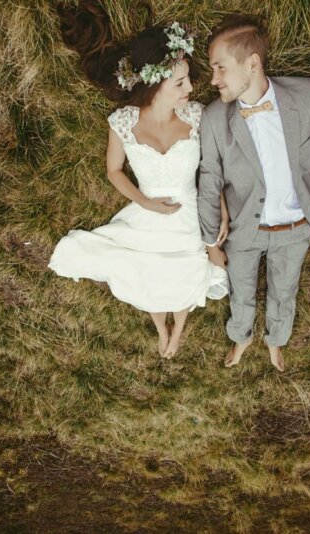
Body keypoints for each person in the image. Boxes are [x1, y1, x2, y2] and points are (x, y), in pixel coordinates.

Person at [49, 1, 229, 359]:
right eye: (180, 82)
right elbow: (114, 170)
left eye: (187, 78)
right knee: (145, 270)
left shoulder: (196, 116)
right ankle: (161, 325)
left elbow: (213, 168)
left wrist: (220, 209)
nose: (190, 87)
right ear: (156, 85)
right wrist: (144, 202)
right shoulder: (123, 122)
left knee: (187, 269)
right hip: (147, 210)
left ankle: (178, 326)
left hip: (190, 213)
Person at [198, 14, 310, 371]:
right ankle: (241, 336)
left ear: (253, 64)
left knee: (285, 289)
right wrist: (211, 242)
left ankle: (276, 340)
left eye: (220, 68)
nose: (213, 80)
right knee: (240, 291)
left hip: (296, 227)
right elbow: (210, 178)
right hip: (245, 229)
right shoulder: (215, 118)